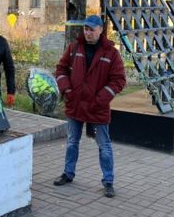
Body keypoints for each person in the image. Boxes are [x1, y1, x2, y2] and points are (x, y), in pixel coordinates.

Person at [52, 15, 126, 198]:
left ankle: (108, 181)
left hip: (97, 107)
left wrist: (101, 99)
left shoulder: (111, 53)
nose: (88, 32)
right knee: (71, 142)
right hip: (75, 103)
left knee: (104, 146)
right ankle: (68, 174)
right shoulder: (74, 47)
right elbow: (61, 69)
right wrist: (67, 90)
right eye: (86, 28)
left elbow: (119, 80)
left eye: (92, 29)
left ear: (101, 30)